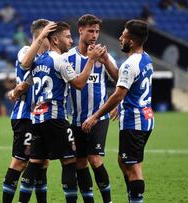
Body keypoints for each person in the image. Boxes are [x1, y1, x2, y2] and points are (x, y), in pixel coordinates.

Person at [17, 22, 105, 203]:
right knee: (70, 161)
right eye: (68, 36)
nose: (71, 40)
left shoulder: (39, 60)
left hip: (38, 118)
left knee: (35, 162)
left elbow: (25, 65)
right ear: (55, 40)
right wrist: (90, 60)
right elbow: (79, 84)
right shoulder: (60, 60)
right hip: (56, 117)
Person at [82, 19, 154, 203]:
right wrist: (106, 60)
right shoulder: (145, 59)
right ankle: (133, 197)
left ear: (132, 41)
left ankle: (136, 199)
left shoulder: (131, 64)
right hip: (145, 118)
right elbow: (123, 80)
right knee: (124, 162)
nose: (120, 37)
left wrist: (96, 116)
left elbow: (118, 95)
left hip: (134, 121)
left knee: (133, 167)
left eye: (124, 34)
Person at [63, 14, 118, 203]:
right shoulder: (68, 58)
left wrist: (106, 62)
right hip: (76, 120)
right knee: (80, 163)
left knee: (94, 159)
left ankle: (107, 200)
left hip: (98, 117)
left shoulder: (105, 56)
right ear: (80, 30)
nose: (94, 35)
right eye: (90, 31)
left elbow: (120, 81)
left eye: (97, 31)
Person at [2, 19, 56, 203]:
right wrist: (20, 87)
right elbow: (25, 65)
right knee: (20, 161)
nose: (53, 40)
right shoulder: (25, 51)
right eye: (49, 36)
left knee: (42, 162)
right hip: (24, 115)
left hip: (41, 117)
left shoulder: (49, 57)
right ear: (41, 36)